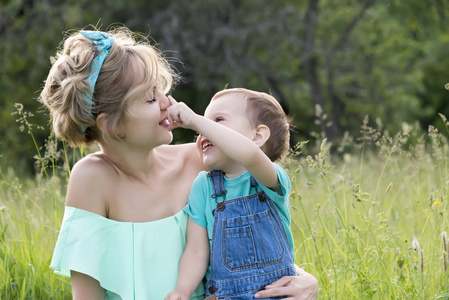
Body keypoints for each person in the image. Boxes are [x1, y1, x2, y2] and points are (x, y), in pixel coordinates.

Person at [39, 26, 318, 300]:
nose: (167, 102)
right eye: (150, 98)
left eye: (160, 90)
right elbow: (87, 294)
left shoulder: (204, 163)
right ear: (110, 125)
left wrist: (305, 280)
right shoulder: (92, 178)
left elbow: (255, 240)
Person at [164, 88, 299, 299]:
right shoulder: (203, 186)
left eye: (217, 120)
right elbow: (197, 251)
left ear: (258, 136)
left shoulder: (269, 179)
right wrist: (182, 290)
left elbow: (249, 155)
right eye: (201, 125)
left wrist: (195, 119)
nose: (203, 131)